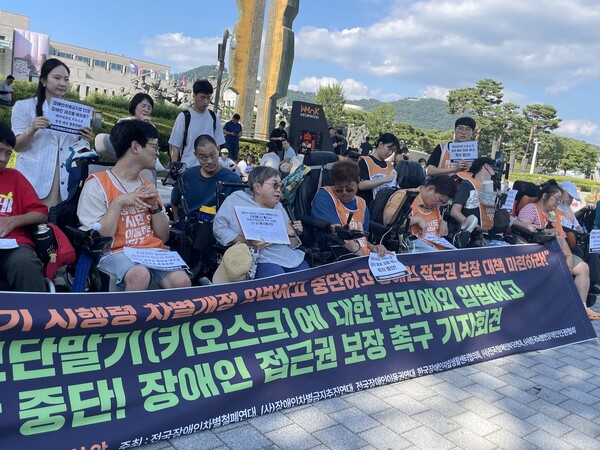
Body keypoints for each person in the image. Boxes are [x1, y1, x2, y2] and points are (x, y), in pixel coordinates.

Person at [77, 120, 190, 291]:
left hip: (153, 252)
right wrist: (118, 203)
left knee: (182, 281)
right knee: (139, 275)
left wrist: (154, 206)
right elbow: (101, 238)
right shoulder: (97, 185)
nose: (157, 152)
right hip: (117, 252)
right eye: (154, 146)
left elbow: (163, 237)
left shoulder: (148, 187)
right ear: (135, 147)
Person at [11, 58, 94, 206]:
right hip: (34, 179)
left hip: (64, 181)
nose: (63, 83)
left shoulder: (75, 113)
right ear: (43, 80)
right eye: (57, 78)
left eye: (66, 79)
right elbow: (17, 146)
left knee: (58, 220)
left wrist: (84, 139)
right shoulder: (24, 106)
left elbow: (76, 151)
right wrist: (32, 129)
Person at [515, 180, 599, 320]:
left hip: (555, 251)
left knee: (583, 267)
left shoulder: (553, 216)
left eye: (560, 200)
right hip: (537, 252)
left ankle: (582, 308)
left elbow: (561, 237)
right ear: (545, 196)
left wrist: (569, 257)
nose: (558, 203)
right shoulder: (531, 209)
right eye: (556, 199)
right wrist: (533, 227)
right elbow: (519, 224)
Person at [213, 166, 309, 279]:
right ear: (257, 187)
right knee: (276, 277)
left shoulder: (279, 207)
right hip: (255, 257)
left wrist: (291, 234)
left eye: (281, 185)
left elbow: (292, 245)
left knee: (306, 274)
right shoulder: (237, 200)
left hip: (285, 255)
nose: (279, 189)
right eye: (275, 185)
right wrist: (247, 241)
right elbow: (219, 229)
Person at [0, 123, 48, 292]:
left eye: (8, 153)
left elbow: (41, 213)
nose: (3, 159)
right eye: (0, 151)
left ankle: (37, 309)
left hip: (13, 246)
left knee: (25, 264)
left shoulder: (15, 177)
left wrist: (14, 220)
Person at [312, 160, 388, 257]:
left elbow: (362, 239)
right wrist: (363, 258)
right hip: (340, 252)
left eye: (349, 188)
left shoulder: (361, 203)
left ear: (358, 182)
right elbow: (338, 233)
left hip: (362, 254)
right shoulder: (325, 196)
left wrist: (373, 247)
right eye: (339, 189)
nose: (344, 192)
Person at [170, 134, 242, 224]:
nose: (209, 161)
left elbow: (240, 212)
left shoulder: (233, 180)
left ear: (218, 150)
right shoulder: (186, 176)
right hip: (188, 227)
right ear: (195, 155)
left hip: (219, 228)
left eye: (213, 155)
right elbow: (174, 202)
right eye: (203, 157)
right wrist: (177, 222)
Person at [383, 176, 457, 251]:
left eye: (442, 203)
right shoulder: (404, 196)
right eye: (439, 200)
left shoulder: (433, 203)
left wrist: (442, 221)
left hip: (437, 245)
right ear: (430, 189)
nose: (438, 205)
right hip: (414, 246)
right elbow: (389, 220)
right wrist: (417, 220)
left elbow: (436, 219)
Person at [168, 79, 225, 168]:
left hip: (208, 168)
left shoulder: (213, 117)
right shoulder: (184, 117)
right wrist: (175, 168)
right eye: (202, 97)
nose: (206, 101)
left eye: (208, 98)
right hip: (187, 167)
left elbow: (218, 145)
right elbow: (175, 145)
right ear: (194, 95)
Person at [449, 156, 497, 234]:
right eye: (493, 167)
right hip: (467, 232)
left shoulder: (490, 187)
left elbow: (489, 213)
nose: (494, 171)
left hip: (484, 233)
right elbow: (454, 211)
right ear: (486, 166)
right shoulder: (467, 184)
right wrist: (474, 226)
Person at [357, 133, 399, 208]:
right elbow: (360, 185)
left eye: (392, 151)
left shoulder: (390, 165)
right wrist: (385, 179)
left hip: (383, 207)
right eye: (389, 149)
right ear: (380, 144)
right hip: (366, 206)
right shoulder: (365, 161)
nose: (390, 153)